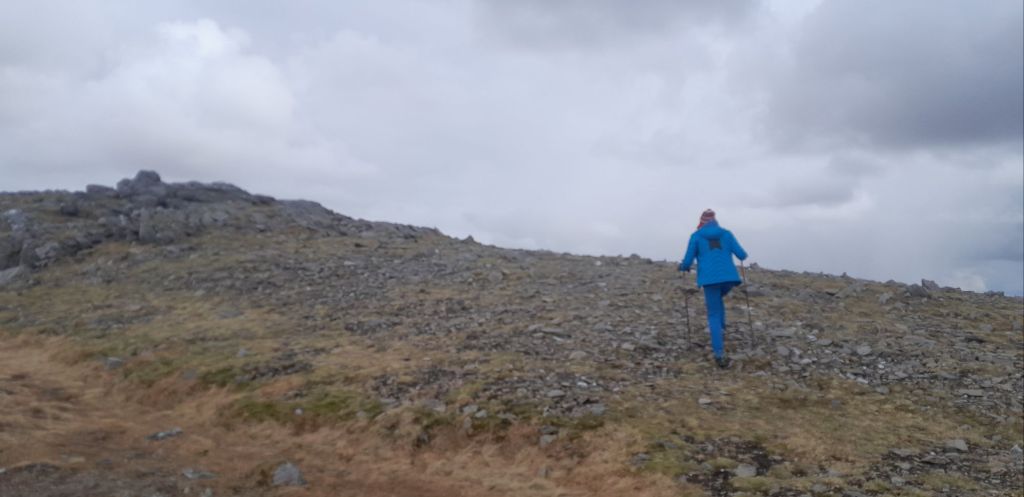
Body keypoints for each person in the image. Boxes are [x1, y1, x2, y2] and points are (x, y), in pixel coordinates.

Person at [678, 209, 748, 368]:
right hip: (730, 279)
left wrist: (682, 267)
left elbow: (688, 261)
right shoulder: (727, 234)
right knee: (718, 301)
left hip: (709, 280)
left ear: (701, 222)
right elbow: (742, 255)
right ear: (715, 221)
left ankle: (719, 354)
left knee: (713, 313)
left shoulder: (696, 236)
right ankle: (721, 328)